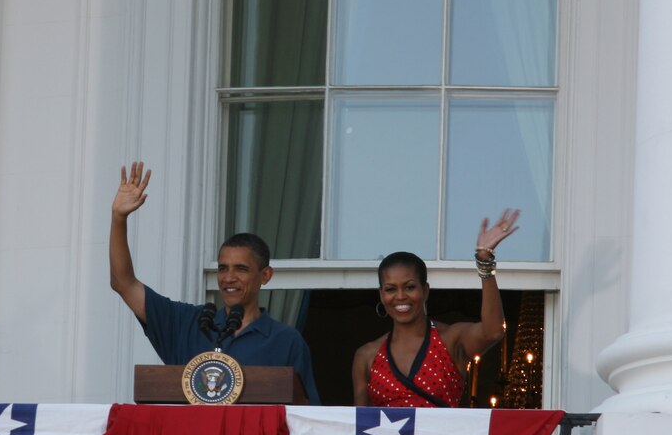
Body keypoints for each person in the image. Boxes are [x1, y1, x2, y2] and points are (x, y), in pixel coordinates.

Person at [110, 161, 321, 405]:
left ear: (265, 276)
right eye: (222, 268)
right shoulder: (187, 324)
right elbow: (123, 283)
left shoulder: (285, 340)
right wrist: (118, 219)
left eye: (241, 269)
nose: (228, 278)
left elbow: (308, 416)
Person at [352, 210, 519, 407]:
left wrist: (485, 262)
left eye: (410, 287)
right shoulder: (366, 355)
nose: (400, 296)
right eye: (390, 289)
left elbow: (493, 331)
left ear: (426, 290)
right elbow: (359, 428)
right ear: (381, 295)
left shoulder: (450, 338)